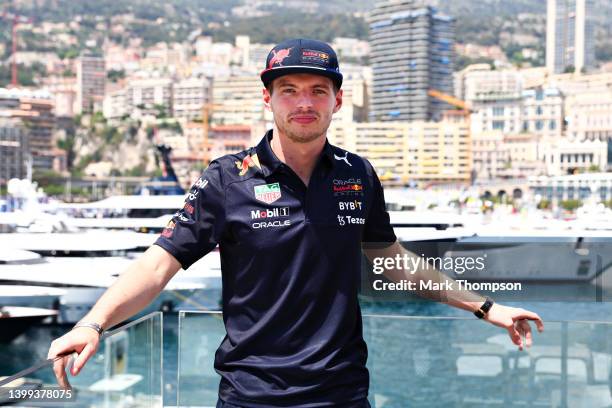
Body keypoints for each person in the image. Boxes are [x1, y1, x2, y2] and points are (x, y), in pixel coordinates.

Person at [47, 38, 544, 407]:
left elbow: (392, 261)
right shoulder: (228, 178)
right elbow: (159, 265)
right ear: (268, 100)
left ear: (337, 101)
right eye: (289, 90)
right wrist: (94, 322)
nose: (303, 103)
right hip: (251, 394)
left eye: (317, 91)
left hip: (341, 391)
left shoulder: (358, 174)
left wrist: (484, 306)